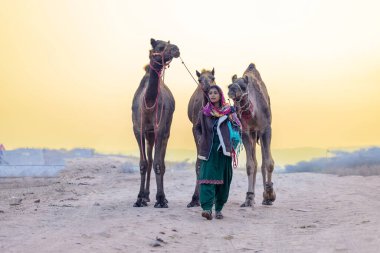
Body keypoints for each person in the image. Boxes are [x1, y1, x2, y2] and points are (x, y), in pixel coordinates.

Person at [195, 85, 241, 220]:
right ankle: (207, 209)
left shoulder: (229, 111)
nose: (213, 95)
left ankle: (219, 209)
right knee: (206, 179)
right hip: (208, 151)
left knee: (224, 181)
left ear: (220, 95)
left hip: (224, 150)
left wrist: (233, 122)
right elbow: (197, 128)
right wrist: (200, 139)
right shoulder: (204, 113)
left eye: (215, 93)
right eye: (210, 93)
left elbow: (238, 126)